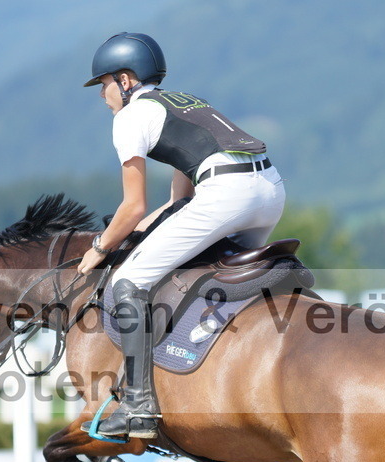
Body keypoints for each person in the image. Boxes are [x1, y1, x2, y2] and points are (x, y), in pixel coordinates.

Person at [77, 32, 285, 439]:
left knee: (127, 281)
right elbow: (179, 202)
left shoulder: (130, 118)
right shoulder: (184, 103)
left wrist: (101, 247)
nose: (102, 96)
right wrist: (141, 231)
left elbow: (132, 205)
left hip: (227, 195)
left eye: (103, 85)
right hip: (270, 188)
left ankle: (138, 405)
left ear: (125, 79)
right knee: (213, 266)